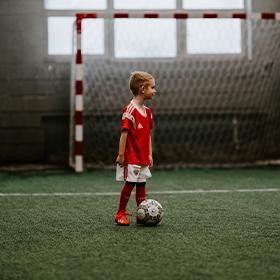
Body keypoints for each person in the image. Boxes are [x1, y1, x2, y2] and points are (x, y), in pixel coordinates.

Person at [115, 71, 156, 226]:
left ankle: (141, 214)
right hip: (131, 156)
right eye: (152, 87)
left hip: (143, 157)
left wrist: (150, 154)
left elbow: (148, 135)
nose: (155, 91)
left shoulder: (148, 112)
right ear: (142, 89)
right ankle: (120, 213)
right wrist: (121, 155)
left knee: (141, 185)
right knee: (130, 184)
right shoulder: (130, 110)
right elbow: (124, 134)